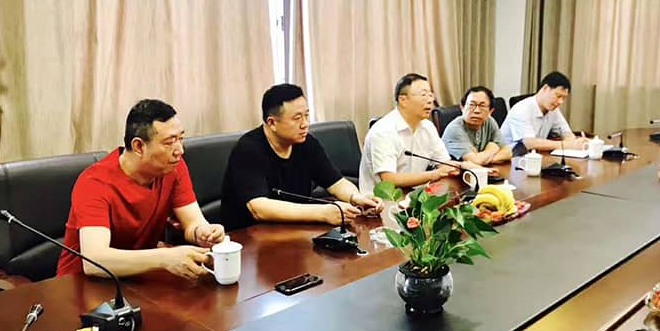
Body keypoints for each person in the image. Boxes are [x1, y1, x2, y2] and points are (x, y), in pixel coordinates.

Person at [57, 99, 225, 279]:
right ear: (139, 146)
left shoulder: (173, 168)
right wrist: (164, 258)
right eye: (169, 142)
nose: (180, 150)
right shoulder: (94, 183)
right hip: (81, 284)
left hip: (137, 278)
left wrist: (203, 232)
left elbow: (192, 222)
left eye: (180, 139)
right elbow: (94, 262)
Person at [220, 84, 382, 229]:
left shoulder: (306, 143)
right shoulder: (248, 149)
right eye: (297, 118)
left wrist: (356, 198)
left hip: (295, 229)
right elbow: (259, 208)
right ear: (272, 123)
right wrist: (323, 213)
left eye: (306, 115)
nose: (305, 124)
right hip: (251, 237)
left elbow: (335, 182)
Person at [359, 73, 477, 193]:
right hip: (383, 198)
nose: (430, 100)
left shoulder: (428, 127)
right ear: (403, 100)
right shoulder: (384, 131)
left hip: (416, 194)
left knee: (459, 185)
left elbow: (443, 163)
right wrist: (434, 174)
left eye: (431, 95)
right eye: (423, 95)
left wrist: (460, 166)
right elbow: (389, 180)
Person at [500, 71, 590, 152]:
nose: (560, 102)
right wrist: (565, 145)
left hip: (534, 156)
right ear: (545, 88)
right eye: (558, 96)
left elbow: (566, 132)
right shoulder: (521, 109)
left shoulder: (553, 109)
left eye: (563, 98)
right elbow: (529, 143)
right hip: (509, 159)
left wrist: (576, 142)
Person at [442, 86, 512, 165]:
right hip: (456, 172)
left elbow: (508, 152)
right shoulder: (455, 129)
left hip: (483, 169)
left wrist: (484, 158)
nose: (477, 111)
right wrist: (493, 147)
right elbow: (475, 161)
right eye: (472, 105)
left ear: (490, 111)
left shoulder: (489, 121)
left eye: (482, 106)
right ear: (462, 107)